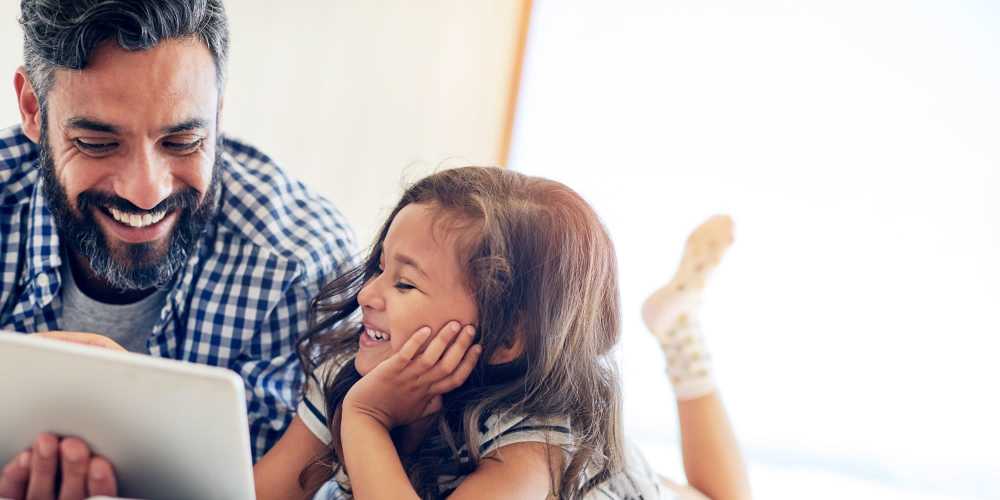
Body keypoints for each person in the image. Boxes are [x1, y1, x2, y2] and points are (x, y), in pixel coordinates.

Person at [0, 0, 355, 497]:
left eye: (182, 140)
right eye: (98, 143)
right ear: (34, 110)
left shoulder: (301, 267)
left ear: (218, 113)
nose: (145, 192)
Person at [248, 167, 750, 499]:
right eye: (379, 269)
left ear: (506, 335)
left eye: (403, 283)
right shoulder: (349, 371)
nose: (367, 296)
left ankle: (680, 330)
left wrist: (365, 418)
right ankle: (677, 323)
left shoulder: (535, 443)